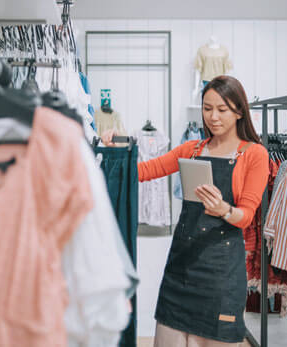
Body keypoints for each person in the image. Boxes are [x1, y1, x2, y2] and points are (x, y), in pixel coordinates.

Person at [101, 76, 269, 347]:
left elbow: (246, 216)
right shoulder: (192, 149)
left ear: (239, 111)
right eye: (207, 108)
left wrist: (224, 209)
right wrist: (116, 152)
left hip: (221, 277)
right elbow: (144, 171)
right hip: (181, 271)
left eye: (222, 110)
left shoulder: (254, 154)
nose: (213, 117)